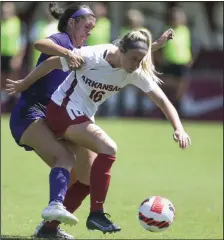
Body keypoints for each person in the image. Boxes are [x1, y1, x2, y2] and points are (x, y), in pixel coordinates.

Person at [7, 28, 191, 234]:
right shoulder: (92, 56)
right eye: (133, 59)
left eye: (141, 59)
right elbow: (51, 62)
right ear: (120, 50)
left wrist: (179, 128)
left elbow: (162, 100)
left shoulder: (133, 70)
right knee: (109, 147)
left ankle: (48, 230)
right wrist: (24, 83)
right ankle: (97, 214)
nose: (137, 64)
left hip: (81, 118)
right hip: (61, 111)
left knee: (87, 181)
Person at [8, 2, 96, 239]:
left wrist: (153, 46)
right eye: (86, 25)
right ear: (72, 22)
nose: (89, 31)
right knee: (65, 157)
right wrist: (67, 53)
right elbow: (39, 43)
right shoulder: (63, 41)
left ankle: (49, 230)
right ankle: (54, 205)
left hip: (57, 118)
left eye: (92, 27)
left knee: (87, 177)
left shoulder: (86, 50)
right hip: (30, 115)